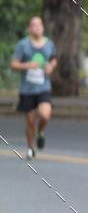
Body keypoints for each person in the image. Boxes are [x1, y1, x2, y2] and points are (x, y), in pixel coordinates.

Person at [11, 16, 57, 159]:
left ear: (43, 27)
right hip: (27, 90)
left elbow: (53, 59)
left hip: (43, 87)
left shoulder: (49, 44)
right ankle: (30, 148)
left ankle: (41, 132)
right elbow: (13, 64)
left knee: (45, 115)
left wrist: (51, 66)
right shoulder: (23, 45)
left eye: (39, 25)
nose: (36, 28)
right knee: (30, 121)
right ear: (29, 28)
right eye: (33, 25)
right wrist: (27, 65)